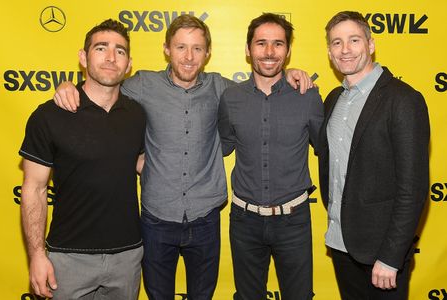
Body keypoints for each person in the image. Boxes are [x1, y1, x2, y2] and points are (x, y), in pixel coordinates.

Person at [53, 14, 314, 299]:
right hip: (156, 219)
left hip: (205, 218)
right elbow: (102, 86)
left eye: (197, 48)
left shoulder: (224, 90)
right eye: (180, 47)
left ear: (208, 53)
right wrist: (69, 86)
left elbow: (262, 84)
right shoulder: (142, 84)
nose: (189, 57)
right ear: (166, 49)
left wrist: (289, 74)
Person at [20, 19, 146, 299]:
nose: (111, 57)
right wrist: (37, 256)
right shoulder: (49, 116)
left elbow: (141, 163)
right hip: (67, 258)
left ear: (129, 64)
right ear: (83, 56)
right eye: (101, 48)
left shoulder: (138, 115)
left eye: (120, 51)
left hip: (127, 257)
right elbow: (34, 189)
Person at [318, 11, 430, 300]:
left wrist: (392, 256)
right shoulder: (333, 99)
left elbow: (413, 188)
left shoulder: (403, 99)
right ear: (329, 52)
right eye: (336, 42)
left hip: (382, 256)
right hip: (341, 245)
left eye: (353, 40)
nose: (345, 50)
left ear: (370, 44)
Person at [218, 13, 324, 300]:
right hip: (244, 220)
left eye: (277, 44)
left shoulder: (308, 96)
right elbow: (222, 146)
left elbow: (326, 150)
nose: (268, 52)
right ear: (247, 49)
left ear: (288, 51)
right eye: (261, 43)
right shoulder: (231, 98)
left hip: (294, 219)